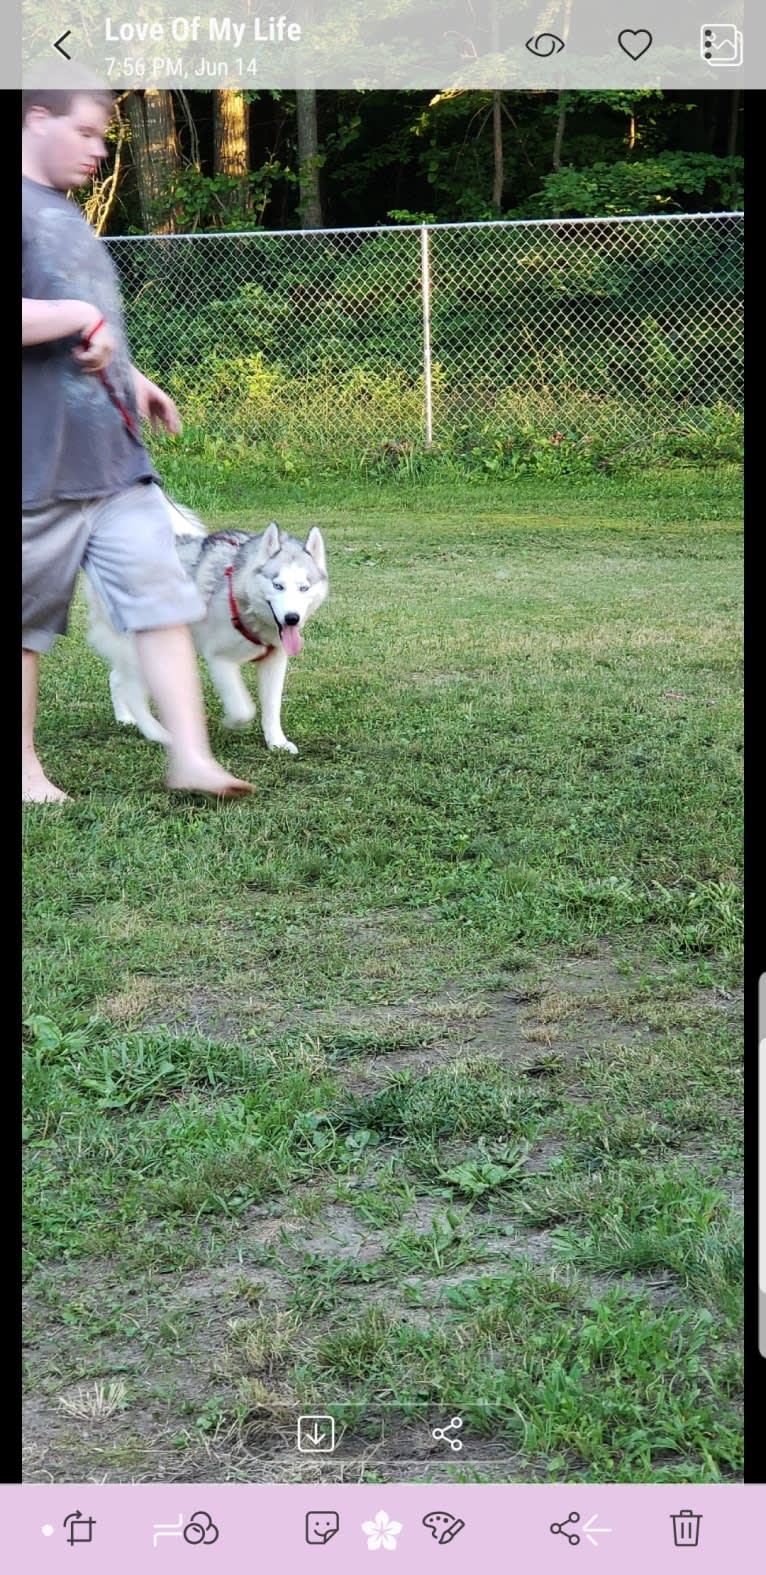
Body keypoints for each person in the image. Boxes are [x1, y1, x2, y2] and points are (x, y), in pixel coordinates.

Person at [22, 84, 253, 801]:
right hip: (36, 466)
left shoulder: (66, 217)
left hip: (115, 460)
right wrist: (79, 313)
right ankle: (23, 771)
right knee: (27, 623)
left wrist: (131, 375)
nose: (100, 149)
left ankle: (191, 755)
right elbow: (63, 316)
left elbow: (86, 331)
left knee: (162, 598)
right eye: (88, 132)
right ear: (37, 119)